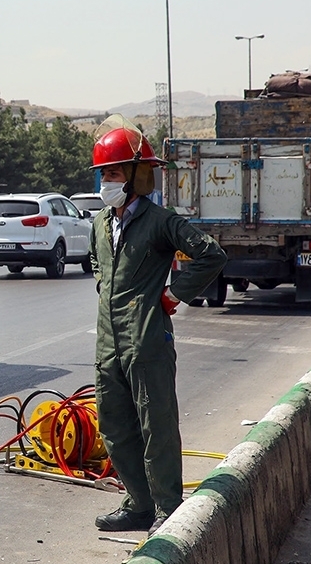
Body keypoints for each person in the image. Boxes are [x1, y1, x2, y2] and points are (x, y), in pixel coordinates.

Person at [88, 116, 226, 538]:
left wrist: (173, 294)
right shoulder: (100, 223)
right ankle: (138, 503)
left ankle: (168, 506)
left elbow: (210, 255)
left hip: (147, 335)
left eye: (112, 173)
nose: (105, 182)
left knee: (156, 422)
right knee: (114, 422)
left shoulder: (160, 221)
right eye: (102, 174)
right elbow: (98, 265)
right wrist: (102, 284)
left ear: (134, 175)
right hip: (109, 339)